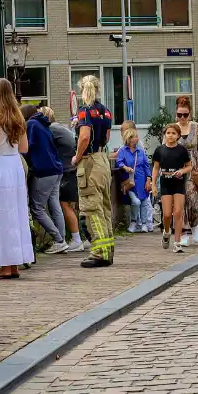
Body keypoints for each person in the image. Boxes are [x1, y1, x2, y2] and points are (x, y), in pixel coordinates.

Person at [0, 78, 34, 278]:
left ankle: (4, 266)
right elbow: (24, 148)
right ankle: (15, 263)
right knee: (15, 215)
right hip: (14, 166)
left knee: (0, 215)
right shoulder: (18, 115)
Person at [73, 74, 115, 268]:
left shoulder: (84, 112)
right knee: (105, 207)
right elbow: (106, 137)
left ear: (82, 90)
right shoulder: (105, 111)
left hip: (89, 160)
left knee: (91, 208)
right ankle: (108, 250)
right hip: (102, 160)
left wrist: (77, 157)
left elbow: (84, 136)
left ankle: (98, 252)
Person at [21, 104, 67, 254]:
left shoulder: (31, 125)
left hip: (44, 171)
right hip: (56, 169)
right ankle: (62, 240)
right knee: (54, 204)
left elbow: (26, 148)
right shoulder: (43, 123)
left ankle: (58, 239)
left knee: (37, 208)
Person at [40, 106, 84, 252]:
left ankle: (76, 239)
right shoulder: (59, 127)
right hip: (72, 169)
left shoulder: (50, 130)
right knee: (73, 205)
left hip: (66, 170)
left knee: (64, 205)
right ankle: (82, 237)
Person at [173, 95, 198, 247]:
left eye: (185, 114)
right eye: (179, 114)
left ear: (190, 114)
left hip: (194, 169)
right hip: (177, 169)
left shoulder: (196, 127)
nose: (182, 117)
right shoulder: (172, 128)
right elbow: (165, 148)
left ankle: (195, 226)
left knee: (194, 202)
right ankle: (185, 232)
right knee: (181, 203)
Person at [150, 124, 191, 253]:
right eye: (168, 133)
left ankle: (177, 242)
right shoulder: (159, 150)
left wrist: (182, 171)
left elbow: (189, 166)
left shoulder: (182, 150)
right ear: (165, 135)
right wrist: (153, 184)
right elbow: (156, 168)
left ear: (178, 135)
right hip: (166, 183)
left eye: (173, 133)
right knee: (167, 214)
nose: (170, 135)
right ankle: (166, 232)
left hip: (178, 183)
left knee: (178, 212)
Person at [115, 127, 151, 233]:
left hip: (141, 179)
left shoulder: (140, 151)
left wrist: (148, 179)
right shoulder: (123, 150)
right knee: (136, 202)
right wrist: (125, 167)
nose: (137, 138)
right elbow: (119, 162)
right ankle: (134, 221)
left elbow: (146, 165)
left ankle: (144, 224)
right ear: (129, 139)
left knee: (144, 201)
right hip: (130, 181)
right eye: (135, 136)